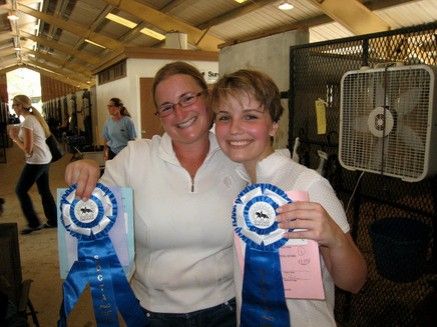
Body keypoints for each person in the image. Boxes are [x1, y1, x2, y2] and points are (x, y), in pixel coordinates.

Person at [65, 61, 245, 326]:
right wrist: (87, 168)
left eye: (187, 98)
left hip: (229, 308)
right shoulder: (135, 158)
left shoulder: (238, 154)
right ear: (159, 116)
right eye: (167, 107)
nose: (180, 112)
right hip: (153, 312)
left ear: (207, 98)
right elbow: (91, 205)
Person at [210, 69, 367, 327]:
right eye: (225, 117)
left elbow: (354, 282)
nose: (235, 129)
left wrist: (335, 239)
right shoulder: (238, 184)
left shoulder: (308, 185)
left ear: (273, 125)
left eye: (250, 116)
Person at [8, 95, 58, 235]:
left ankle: (34, 223)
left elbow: (28, 149)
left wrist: (15, 138)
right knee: (44, 190)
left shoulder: (28, 121)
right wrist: (20, 131)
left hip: (36, 161)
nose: (13, 108)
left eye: (14, 105)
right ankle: (53, 220)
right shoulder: (33, 118)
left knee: (20, 190)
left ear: (20, 106)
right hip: (44, 158)